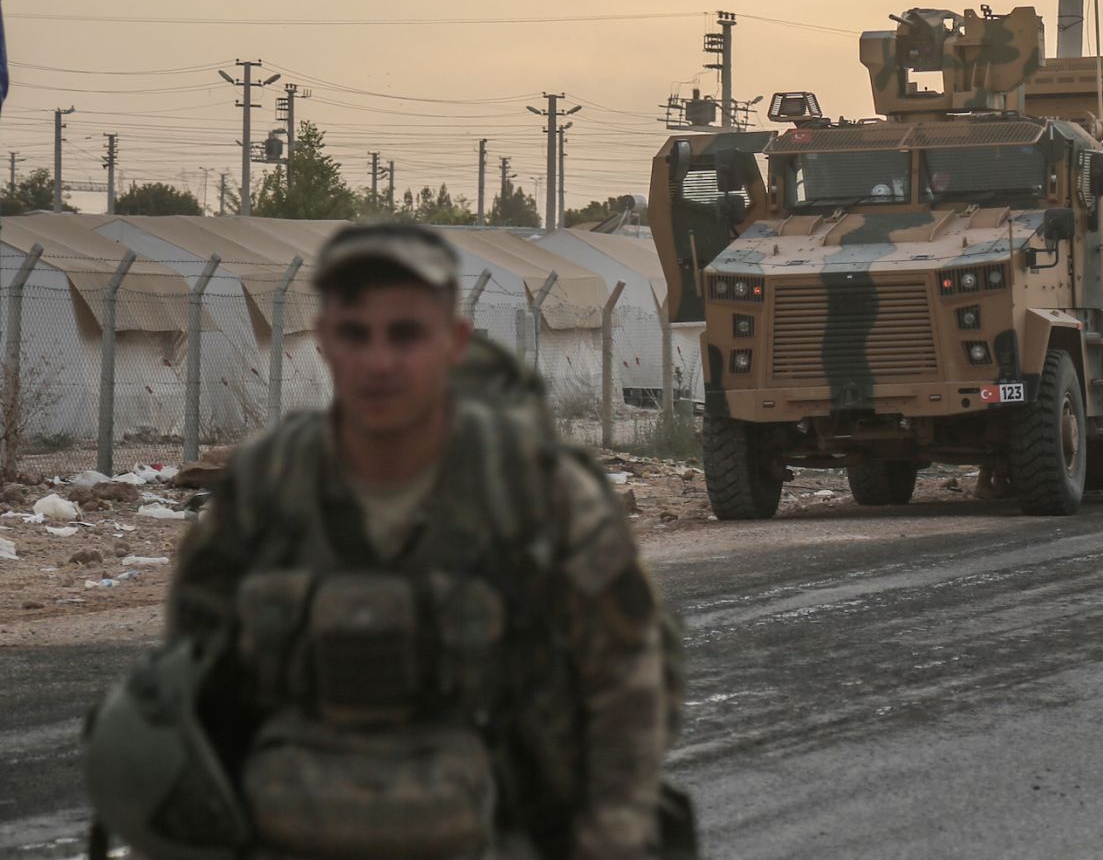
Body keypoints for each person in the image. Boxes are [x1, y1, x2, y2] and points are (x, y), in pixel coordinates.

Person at [86, 224, 691, 860]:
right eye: (356, 334)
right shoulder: (264, 492)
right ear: (323, 344)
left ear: (454, 344)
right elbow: (192, 688)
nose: (379, 361)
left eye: (405, 334)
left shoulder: (539, 495)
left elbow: (629, 678)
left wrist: (610, 834)